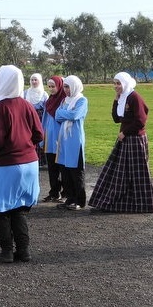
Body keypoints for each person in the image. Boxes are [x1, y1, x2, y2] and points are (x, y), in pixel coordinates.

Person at [0, 64, 44, 263]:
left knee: (0, 208)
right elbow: (39, 134)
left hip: (8, 164)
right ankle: (24, 250)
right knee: (18, 208)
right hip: (30, 163)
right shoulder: (27, 105)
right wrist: (25, 145)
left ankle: (7, 250)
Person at [88, 72, 153, 213]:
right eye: (114, 83)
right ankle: (119, 201)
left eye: (118, 83)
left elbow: (141, 121)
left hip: (135, 140)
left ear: (125, 83)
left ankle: (143, 204)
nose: (116, 86)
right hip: (125, 139)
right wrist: (115, 100)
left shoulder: (134, 97)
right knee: (120, 172)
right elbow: (116, 118)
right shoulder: (124, 97)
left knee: (137, 173)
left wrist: (125, 132)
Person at [55, 75, 88, 211]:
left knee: (76, 171)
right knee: (65, 170)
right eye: (64, 87)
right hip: (64, 139)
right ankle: (70, 198)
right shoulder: (64, 100)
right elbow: (57, 115)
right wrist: (66, 113)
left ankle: (80, 200)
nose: (66, 90)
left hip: (75, 140)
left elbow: (75, 116)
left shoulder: (82, 100)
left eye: (68, 87)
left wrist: (64, 113)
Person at [40, 75, 66, 203]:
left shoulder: (63, 100)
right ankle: (54, 192)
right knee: (52, 167)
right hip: (49, 138)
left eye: (53, 86)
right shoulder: (49, 100)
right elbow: (44, 119)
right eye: (49, 86)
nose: (51, 89)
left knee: (62, 166)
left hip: (60, 138)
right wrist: (42, 137)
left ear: (59, 85)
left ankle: (65, 192)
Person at [24, 73, 48, 166]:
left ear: (39, 81)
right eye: (32, 80)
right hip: (28, 118)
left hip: (40, 118)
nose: (34, 82)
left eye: (35, 80)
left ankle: (40, 161)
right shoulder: (25, 93)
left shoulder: (44, 94)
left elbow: (46, 108)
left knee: (38, 136)